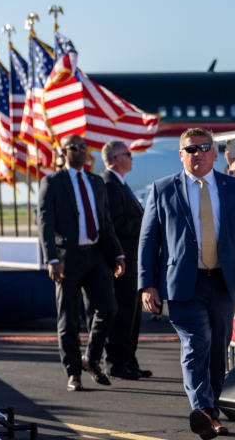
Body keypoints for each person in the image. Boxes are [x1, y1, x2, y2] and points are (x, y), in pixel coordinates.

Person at [139, 128, 235, 439]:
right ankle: (203, 410)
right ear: (181, 154)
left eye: (204, 147)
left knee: (218, 347)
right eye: (191, 149)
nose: (198, 153)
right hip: (184, 284)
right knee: (196, 343)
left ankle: (209, 409)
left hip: (223, 282)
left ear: (214, 152)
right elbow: (148, 240)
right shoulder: (163, 189)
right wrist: (147, 284)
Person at [38, 133, 125, 392]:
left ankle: (91, 359)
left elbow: (105, 222)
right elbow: (45, 222)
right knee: (68, 319)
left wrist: (118, 254)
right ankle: (73, 372)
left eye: (84, 147)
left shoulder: (96, 181)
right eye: (74, 148)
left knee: (108, 308)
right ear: (64, 152)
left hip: (97, 255)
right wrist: (51, 258)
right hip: (68, 258)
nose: (81, 151)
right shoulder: (53, 182)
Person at [99, 141, 151, 380]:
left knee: (132, 313)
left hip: (132, 259)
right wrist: (145, 224)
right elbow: (114, 224)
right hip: (121, 261)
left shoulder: (120, 184)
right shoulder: (109, 184)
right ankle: (116, 363)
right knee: (122, 314)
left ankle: (129, 360)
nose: (131, 158)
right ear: (115, 158)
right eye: (127, 154)